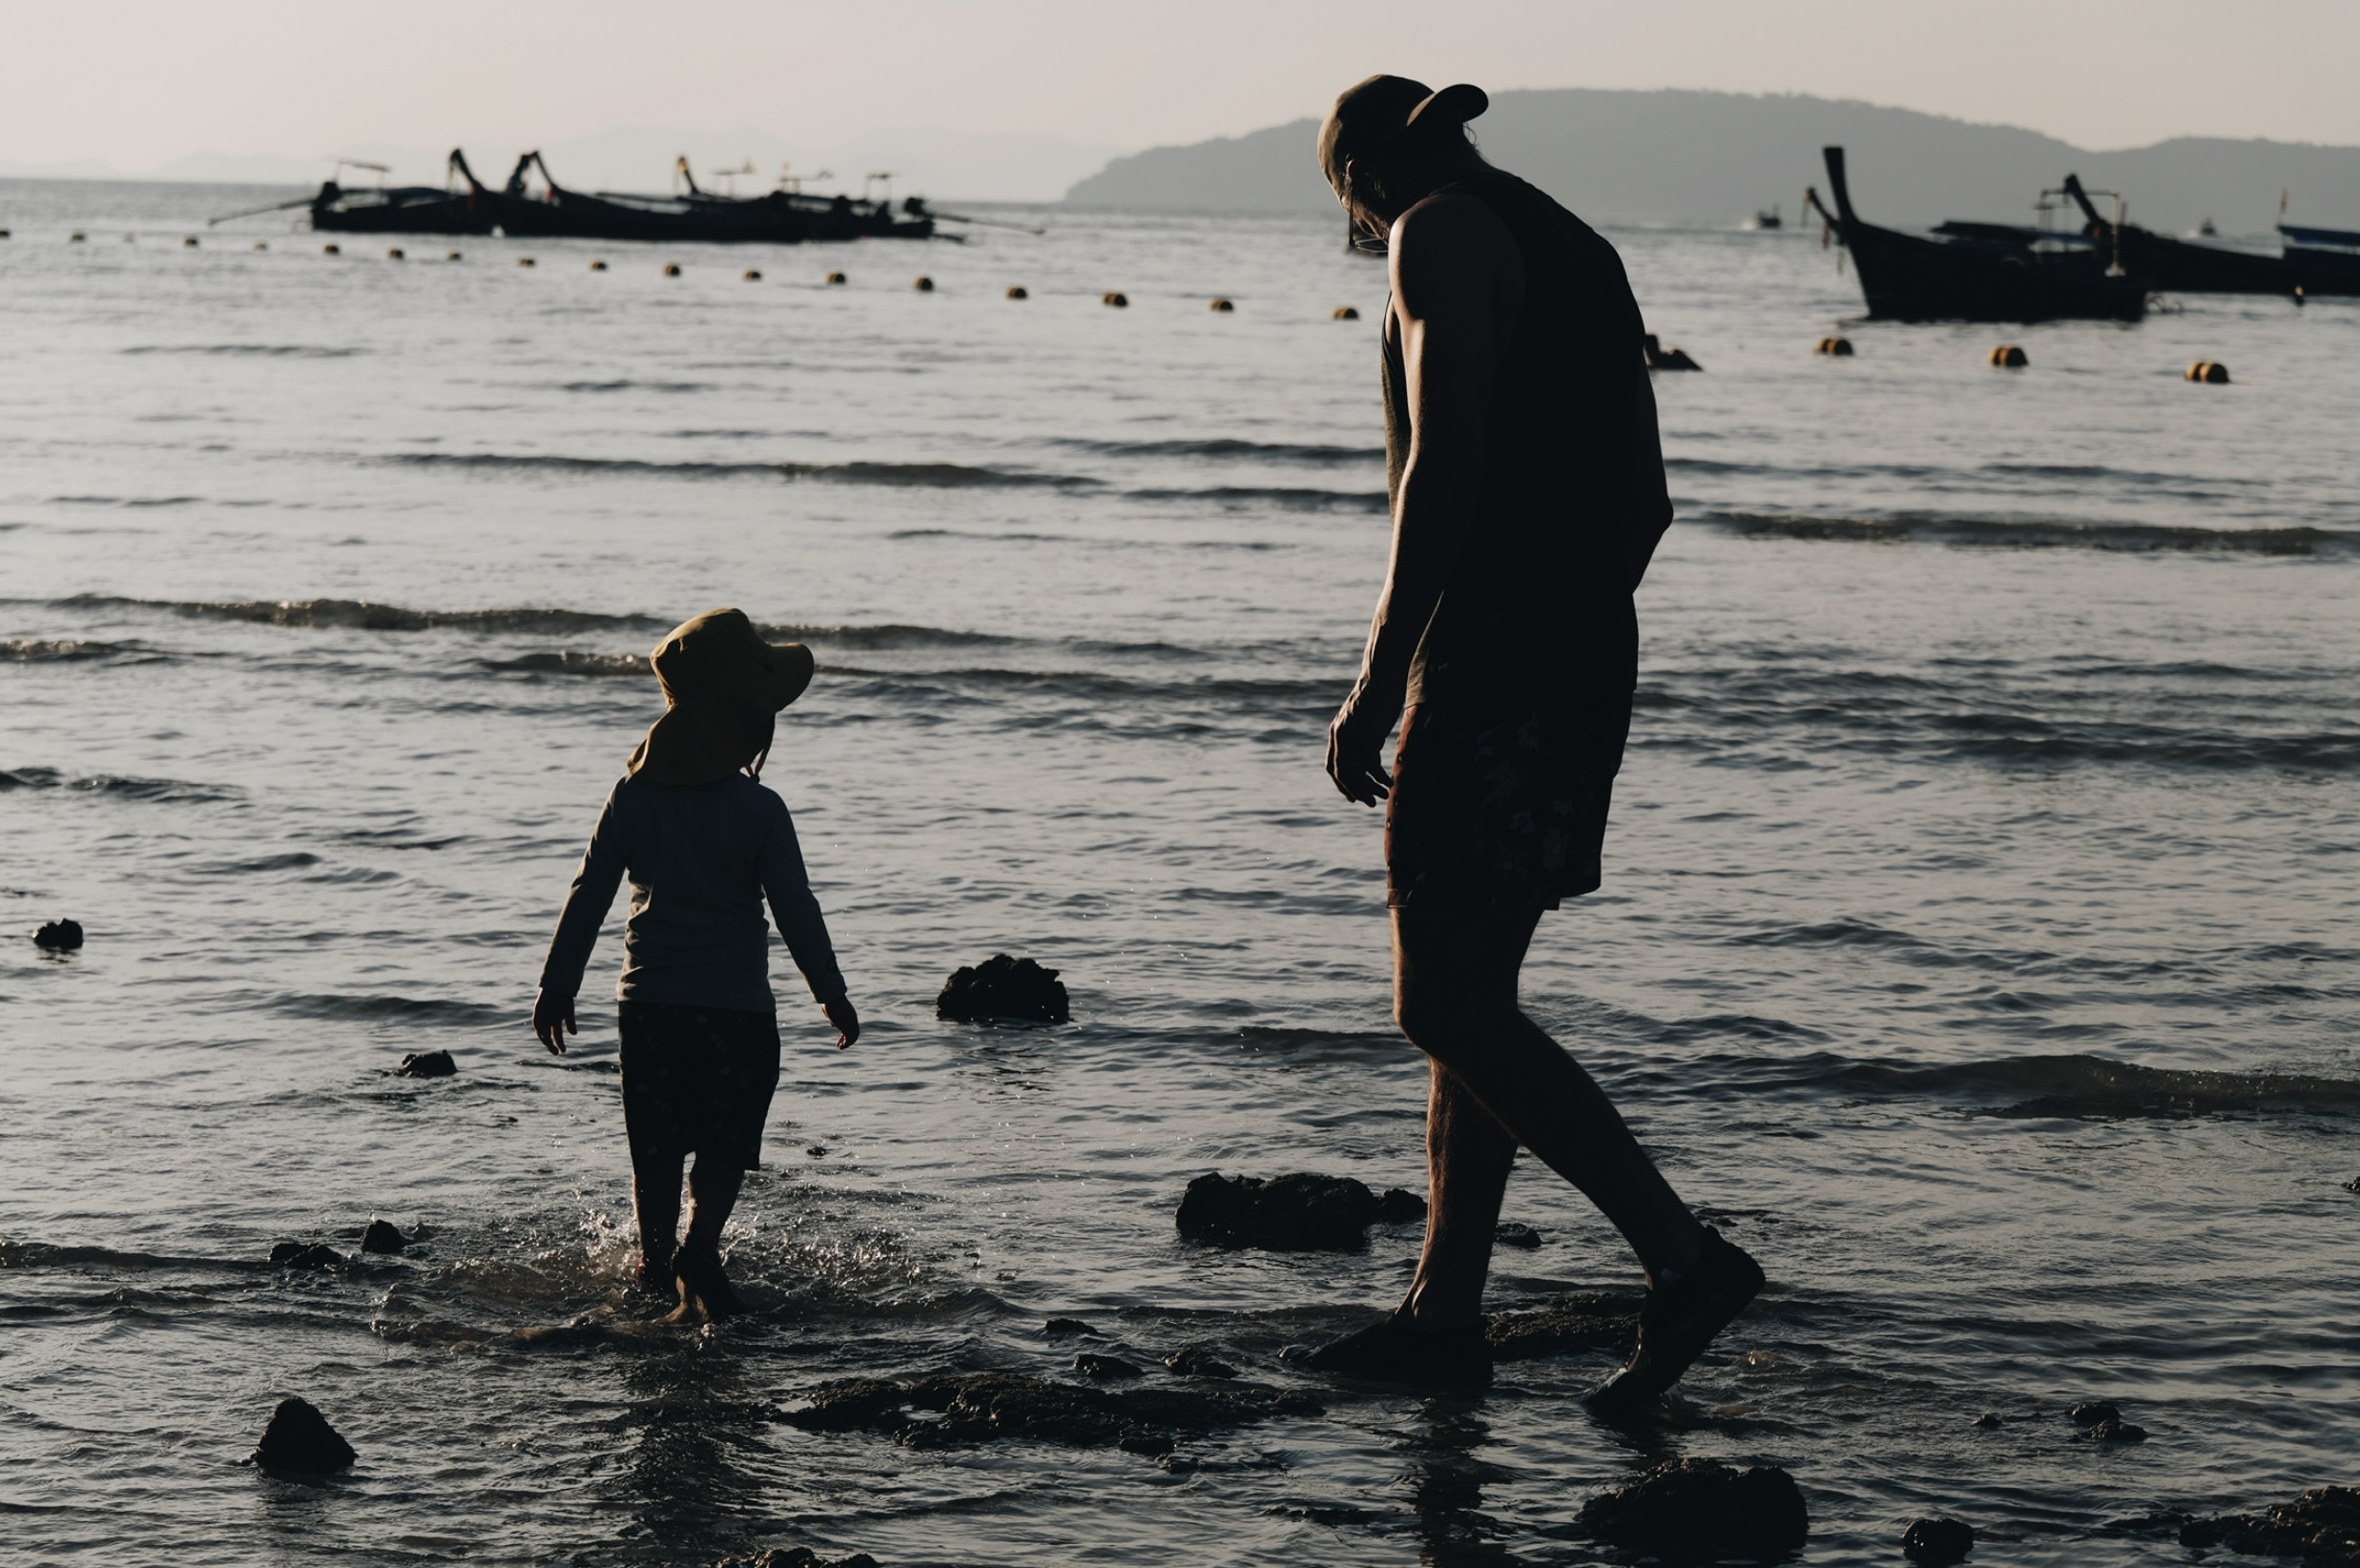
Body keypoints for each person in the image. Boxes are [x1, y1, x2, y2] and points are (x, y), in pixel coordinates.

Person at [1310, 75, 1763, 1414]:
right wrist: (1576, 620)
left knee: (1436, 1003)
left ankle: (1683, 1261)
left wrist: (1382, 674)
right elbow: (1649, 501)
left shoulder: (1435, 230)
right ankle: (1443, 1314)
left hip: (1498, 647)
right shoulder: (1575, 243)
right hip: (1578, 641)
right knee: (1477, 996)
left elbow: (1440, 460)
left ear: (1360, 176)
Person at [531, 608, 859, 1322]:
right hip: (736, 1008)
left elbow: (589, 893)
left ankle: (653, 1261)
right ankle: (700, 1245)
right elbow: (795, 907)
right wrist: (829, 992)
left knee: (654, 1141)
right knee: (723, 1136)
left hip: (646, 1003)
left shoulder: (632, 796)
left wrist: (558, 985)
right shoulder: (761, 810)